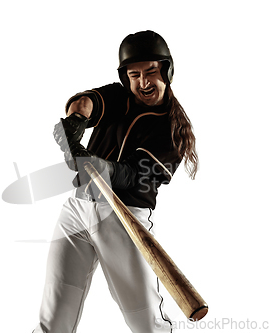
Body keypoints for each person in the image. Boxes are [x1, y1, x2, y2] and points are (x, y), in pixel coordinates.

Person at [33, 30, 199, 333]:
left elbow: (136, 175)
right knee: (53, 319)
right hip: (77, 209)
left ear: (167, 70)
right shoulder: (119, 96)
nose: (143, 82)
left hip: (124, 220)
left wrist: (97, 166)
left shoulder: (172, 128)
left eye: (151, 71)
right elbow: (86, 102)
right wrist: (75, 123)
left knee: (146, 324)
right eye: (134, 75)